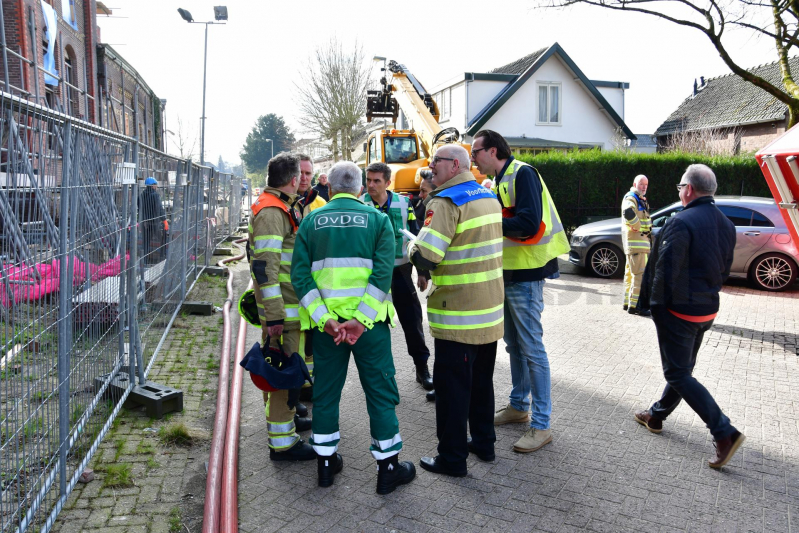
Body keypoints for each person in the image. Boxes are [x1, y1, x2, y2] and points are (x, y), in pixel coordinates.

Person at [291, 161, 416, 494]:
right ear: (360, 188)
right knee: (380, 393)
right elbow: (382, 275)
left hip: (327, 329)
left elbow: (300, 277)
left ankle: (326, 464)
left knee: (326, 393)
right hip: (369, 328)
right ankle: (388, 469)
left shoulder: (310, 222)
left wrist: (326, 320)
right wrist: (360, 321)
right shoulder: (377, 220)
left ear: (329, 189)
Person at [635, 164, 744, 469]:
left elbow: (667, 270)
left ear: (689, 189)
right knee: (683, 369)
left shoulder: (681, 222)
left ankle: (724, 433)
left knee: (678, 373)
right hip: (706, 308)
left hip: (678, 311)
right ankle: (656, 416)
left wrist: (656, 307)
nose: (680, 191)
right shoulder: (726, 223)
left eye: (680, 186)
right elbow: (724, 269)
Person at [470, 130, 570, 454]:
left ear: (494, 150)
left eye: (476, 152)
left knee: (531, 348)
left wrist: (489, 221)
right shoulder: (500, 180)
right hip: (510, 274)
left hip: (526, 274)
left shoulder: (522, 173)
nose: (473, 158)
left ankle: (541, 425)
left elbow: (529, 222)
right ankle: (518, 406)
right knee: (514, 344)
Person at [409, 145, 504, 477]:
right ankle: (484, 442)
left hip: (459, 316)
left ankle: (452, 458)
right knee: (481, 384)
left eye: (436, 162)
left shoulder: (446, 201)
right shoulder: (488, 196)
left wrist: (411, 245)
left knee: (451, 390)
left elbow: (427, 256)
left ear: (454, 165)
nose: (431, 167)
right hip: (489, 313)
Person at [247, 153, 315, 461]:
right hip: (282, 311)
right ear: (290, 180)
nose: (302, 179)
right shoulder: (274, 212)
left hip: (284, 309)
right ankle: (283, 442)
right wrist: (274, 314)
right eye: (299, 175)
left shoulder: (277, 206)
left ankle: (284, 422)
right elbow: (266, 268)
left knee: (281, 371)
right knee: (284, 375)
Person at [362, 162, 433, 391]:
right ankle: (376, 376)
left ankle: (422, 369)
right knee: (371, 324)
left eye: (376, 181)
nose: (371, 185)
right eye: (368, 180)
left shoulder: (404, 203)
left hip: (401, 271)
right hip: (370, 275)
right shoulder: (360, 204)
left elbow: (416, 235)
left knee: (412, 322)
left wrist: (422, 271)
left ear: (387, 182)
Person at [296, 154, 325, 402]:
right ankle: (295, 389)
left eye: (308, 173)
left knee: (313, 339)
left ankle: (310, 385)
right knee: (294, 339)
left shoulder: (320, 204)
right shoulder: (286, 204)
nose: (304, 178)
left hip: (316, 283)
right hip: (292, 282)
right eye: (300, 172)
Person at [623, 175, 652, 316]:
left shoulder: (638, 198)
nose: (644, 187)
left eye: (646, 184)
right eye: (641, 184)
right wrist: (638, 226)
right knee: (639, 275)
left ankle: (628, 303)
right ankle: (637, 307)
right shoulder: (632, 198)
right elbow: (628, 212)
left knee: (631, 275)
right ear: (635, 184)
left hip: (635, 245)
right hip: (637, 245)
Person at [139, 177, 167, 263]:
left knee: (146, 242)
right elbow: (160, 209)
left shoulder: (141, 196)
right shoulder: (155, 195)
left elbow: (140, 209)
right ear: (152, 186)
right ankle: (163, 258)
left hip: (145, 223)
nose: (156, 186)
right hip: (154, 223)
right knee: (162, 239)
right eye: (155, 185)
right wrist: (164, 220)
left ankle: (145, 261)